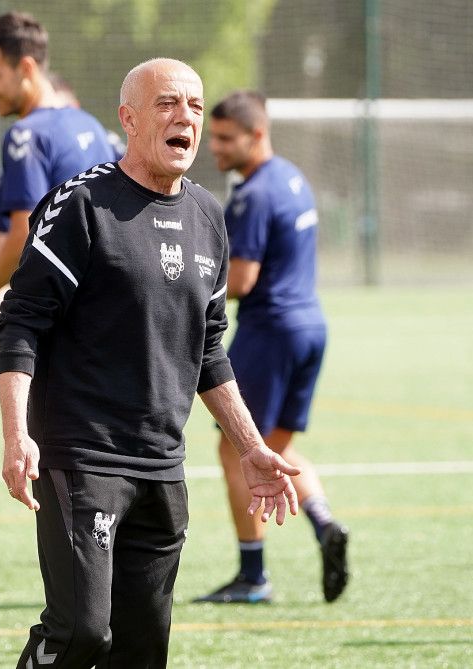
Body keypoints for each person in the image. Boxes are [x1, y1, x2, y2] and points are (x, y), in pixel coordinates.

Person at [0, 58, 301, 667]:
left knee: (141, 652)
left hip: (164, 468)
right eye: (167, 103)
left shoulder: (209, 216)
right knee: (81, 634)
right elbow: (20, 321)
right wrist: (16, 435)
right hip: (85, 459)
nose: (185, 116)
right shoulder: (81, 205)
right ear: (129, 119)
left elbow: (209, 348)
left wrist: (249, 446)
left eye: (193, 104)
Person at [195, 90, 349, 605]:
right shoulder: (292, 177)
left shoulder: (254, 193)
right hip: (311, 326)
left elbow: (240, 279)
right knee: (275, 450)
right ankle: (324, 522)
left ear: (256, 134)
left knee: (233, 446)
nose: (212, 147)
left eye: (223, 138)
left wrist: (184, 287)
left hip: (270, 331)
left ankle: (252, 575)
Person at [0, 11, 119, 355]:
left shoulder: (26, 136)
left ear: (26, 68)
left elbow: (23, 233)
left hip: (60, 321)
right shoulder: (90, 124)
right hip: (108, 313)